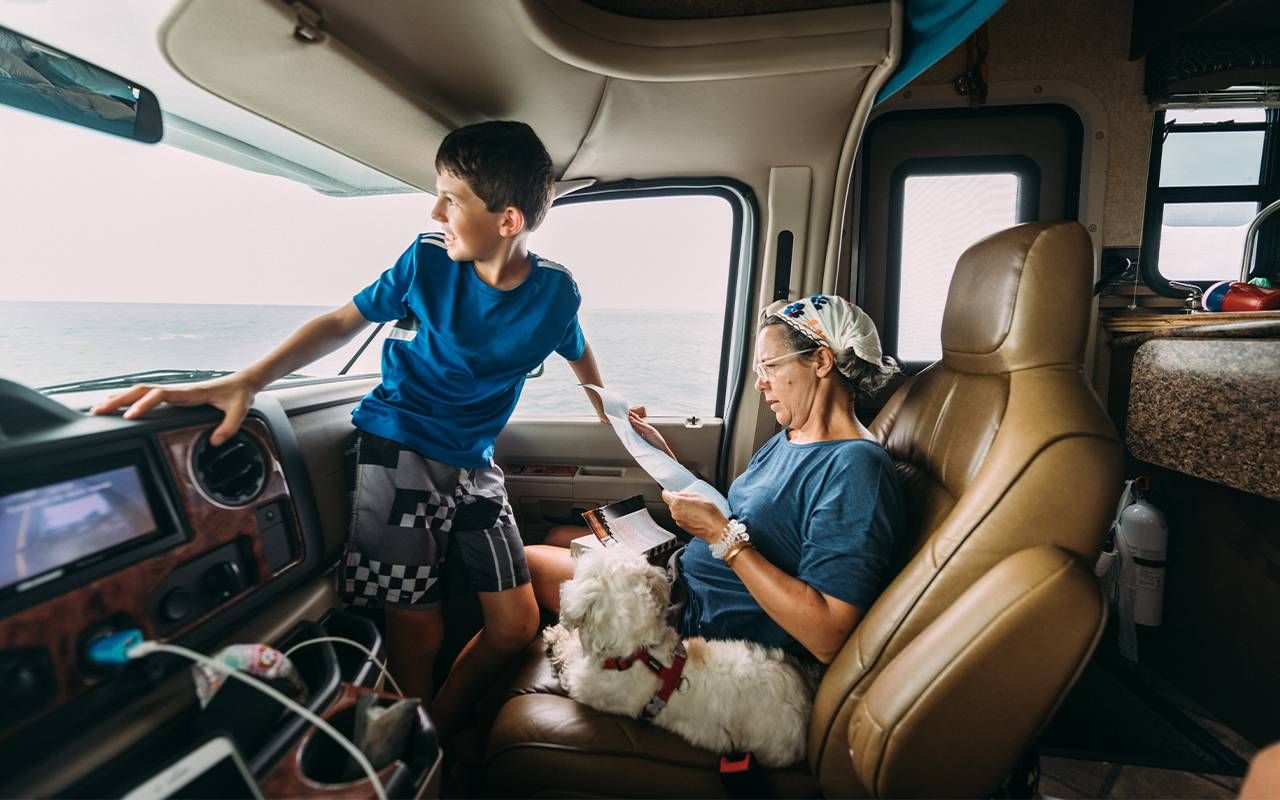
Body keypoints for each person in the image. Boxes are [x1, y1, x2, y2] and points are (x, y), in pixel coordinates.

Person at [91, 120, 613, 733]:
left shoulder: (556, 293)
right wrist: (249, 380)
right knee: (417, 626)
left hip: (476, 464)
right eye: (437, 191)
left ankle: (438, 724)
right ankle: (416, 747)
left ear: (509, 221)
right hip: (399, 450)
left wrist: (617, 418)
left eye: (454, 197)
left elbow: (575, 349)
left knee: (515, 627)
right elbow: (342, 321)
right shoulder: (426, 262)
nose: (435, 208)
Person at [528, 295, 904, 664]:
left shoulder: (855, 469)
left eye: (769, 367)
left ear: (821, 361)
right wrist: (665, 457)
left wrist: (724, 538)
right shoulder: (792, 437)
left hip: (692, 616)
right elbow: (746, 518)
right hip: (684, 577)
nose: (760, 384)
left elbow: (828, 633)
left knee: (530, 561)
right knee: (557, 537)